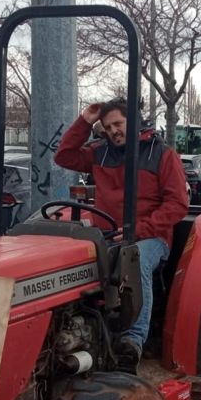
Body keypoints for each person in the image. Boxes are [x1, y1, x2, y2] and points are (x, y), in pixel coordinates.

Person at [55, 99, 190, 371]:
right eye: (107, 127)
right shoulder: (100, 153)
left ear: (134, 121)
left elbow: (177, 205)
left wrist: (137, 231)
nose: (113, 130)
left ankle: (132, 341)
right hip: (107, 234)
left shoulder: (162, 155)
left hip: (151, 238)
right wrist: (84, 121)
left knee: (134, 259)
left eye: (118, 123)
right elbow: (64, 156)